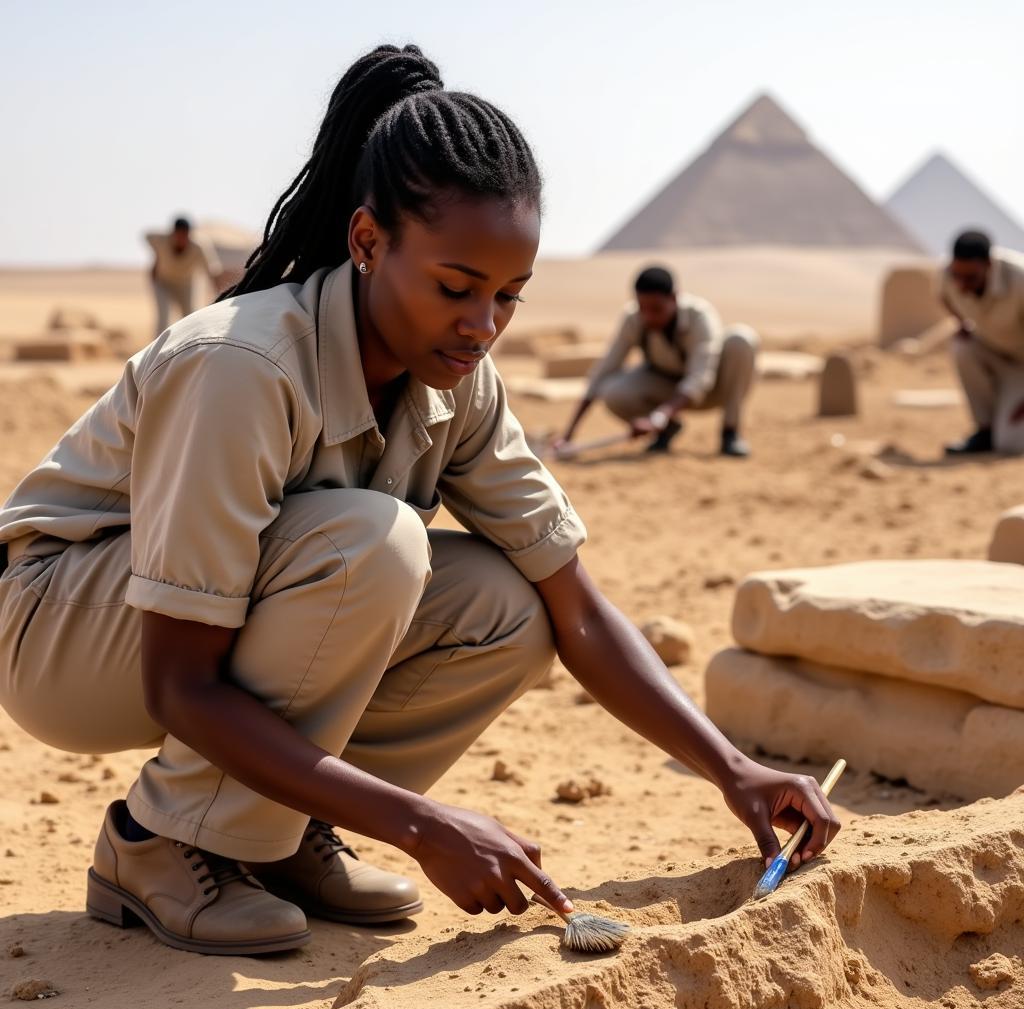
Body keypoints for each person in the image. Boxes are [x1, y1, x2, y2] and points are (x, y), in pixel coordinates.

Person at [0, 45, 838, 957]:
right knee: (376, 544)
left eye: (508, 297)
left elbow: (578, 610)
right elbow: (180, 680)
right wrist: (420, 823)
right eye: (455, 289)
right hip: (57, 626)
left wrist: (734, 768)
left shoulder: (459, 384)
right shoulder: (242, 368)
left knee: (507, 605)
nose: (482, 327)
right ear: (367, 244)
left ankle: (267, 834)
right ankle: (157, 843)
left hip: (188, 629)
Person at [555, 266, 758, 457]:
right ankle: (666, 431)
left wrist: (660, 415)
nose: (648, 317)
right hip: (666, 387)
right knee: (613, 391)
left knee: (741, 340)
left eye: (657, 309)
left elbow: (700, 378)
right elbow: (604, 370)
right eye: (643, 308)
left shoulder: (700, 316)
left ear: (674, 298)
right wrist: (568, 435)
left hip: (712, 390)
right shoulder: (633, 318)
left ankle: (731, 433)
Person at [942, 230, 1024, 455]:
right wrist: (962, 323)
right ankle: (985, 431)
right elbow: (944, 297)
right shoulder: (948, 275)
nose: (961, 286)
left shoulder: (1019, 279)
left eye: (970, 279)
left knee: (1011, 444)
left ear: (989, 264)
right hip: (995, 353)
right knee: (963, 346)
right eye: (957, 276)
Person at [144, 215, 223, 335]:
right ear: (173, 233)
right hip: (163, 282)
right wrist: (157, 258)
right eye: (179, 234)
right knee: (163, 317)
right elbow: (147, 236)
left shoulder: (200, 246)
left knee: (190, 317)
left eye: (185, 235)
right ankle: (158, 350)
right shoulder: (160, 240)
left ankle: (190, 347)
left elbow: (212, 271)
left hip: (186, 285)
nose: (182, 238)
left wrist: (218, 295)